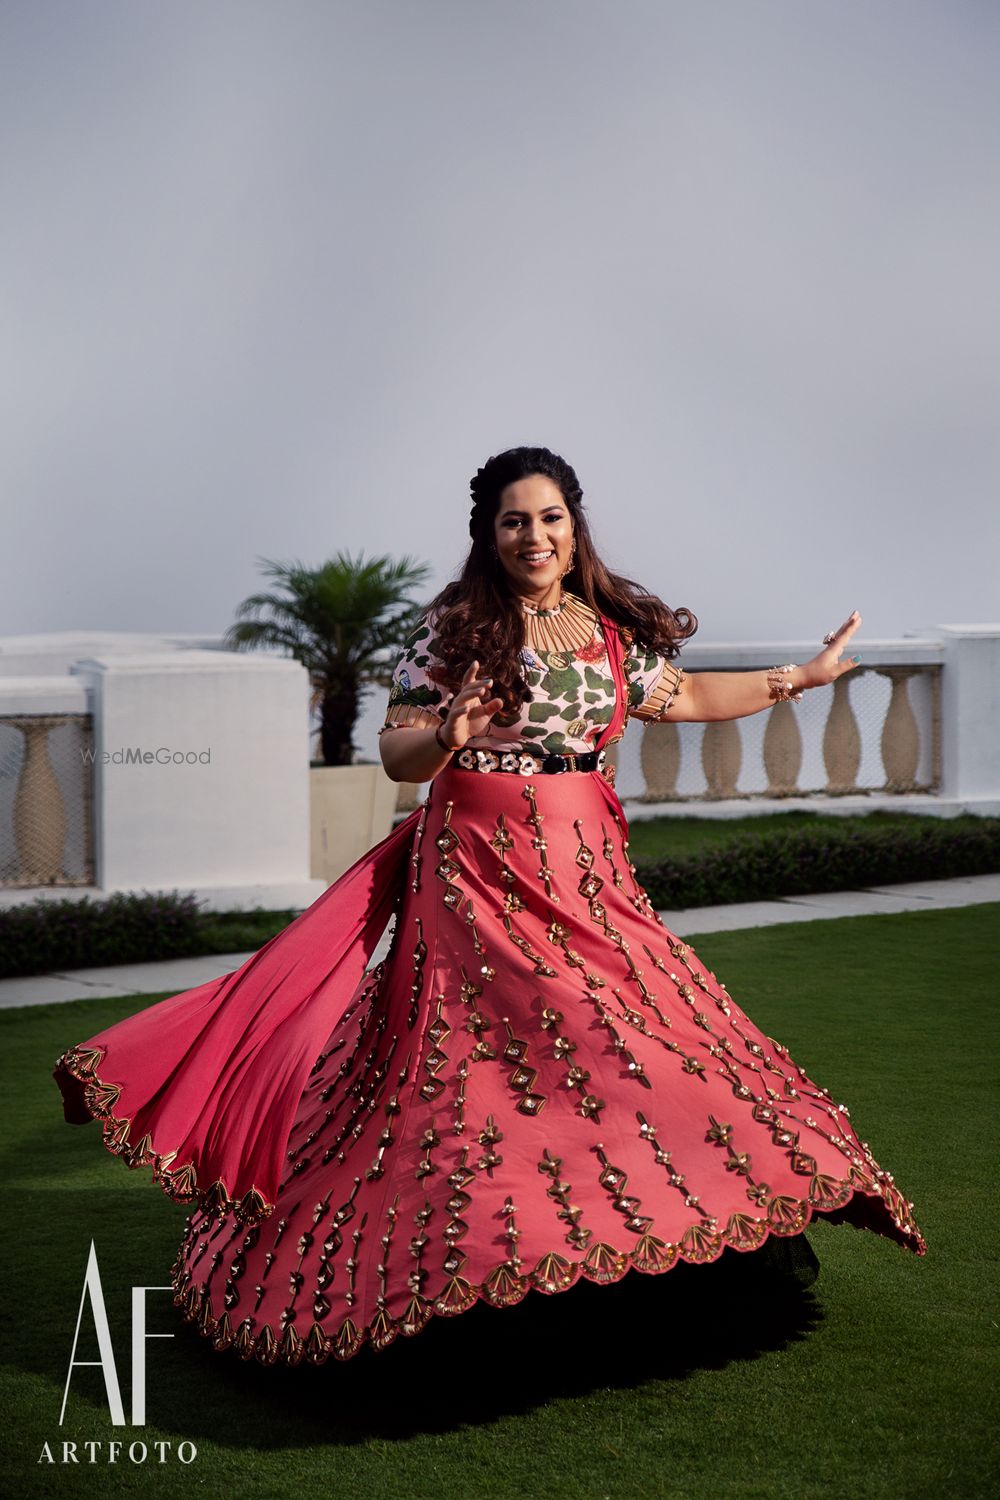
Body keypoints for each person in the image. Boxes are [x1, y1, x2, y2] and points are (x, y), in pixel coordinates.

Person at [52, 445, 926, 1368]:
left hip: (589, 871)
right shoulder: (453, 630)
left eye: (549, 518)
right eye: (515, 520)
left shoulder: (605, 627)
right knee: (483, 1071)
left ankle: (630, 1249)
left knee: (638, 1034)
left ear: (573, 523)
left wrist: (803, 677)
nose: (534, 536)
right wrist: (448, 731)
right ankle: (467, 1281)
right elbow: (397, 756)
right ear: (488, 532)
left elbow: (690, 694)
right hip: (475, 870)